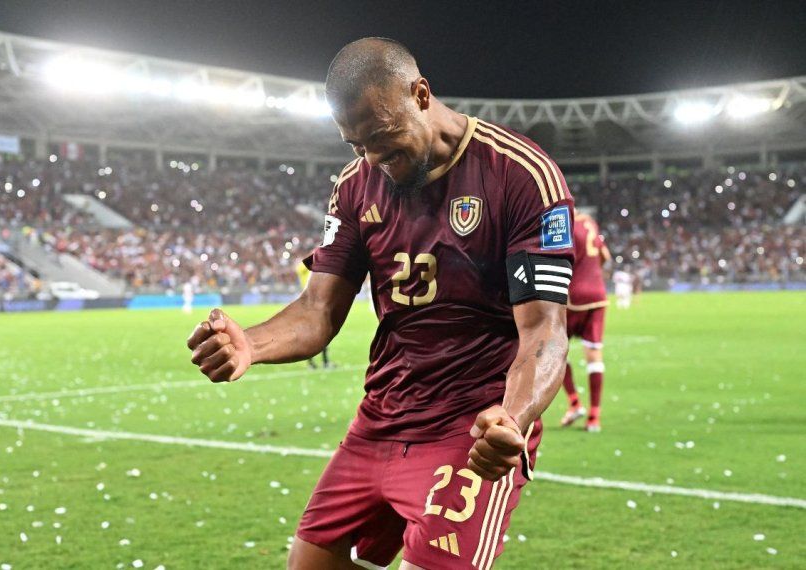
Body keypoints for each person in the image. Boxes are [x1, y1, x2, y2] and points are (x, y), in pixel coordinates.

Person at [187, 38, 575, 570]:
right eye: (355, 144)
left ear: (420, 94)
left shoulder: (520, 176)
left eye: (383, 138)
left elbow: (546, 332)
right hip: (379, 422)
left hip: (471, 428)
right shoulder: (353, 186)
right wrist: (249, 345)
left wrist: (514, 417)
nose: (374, 159)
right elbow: (318, 310)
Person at [560, 211, 610, 432]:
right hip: (598, 295)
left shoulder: (564, 222)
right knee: (594, 356)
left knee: (555, 351)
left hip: (574, 297)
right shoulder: (590, 221)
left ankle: (574, 402)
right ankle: (594, 418)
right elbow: (605, 256)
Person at [295, 260, 333, 369]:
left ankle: (324, 362)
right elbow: (299, 268)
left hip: (318, 302)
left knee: (323, 333)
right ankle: (313, 363)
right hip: (311, 303)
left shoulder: (318, 268)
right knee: (314, 333)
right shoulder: (304, 267)